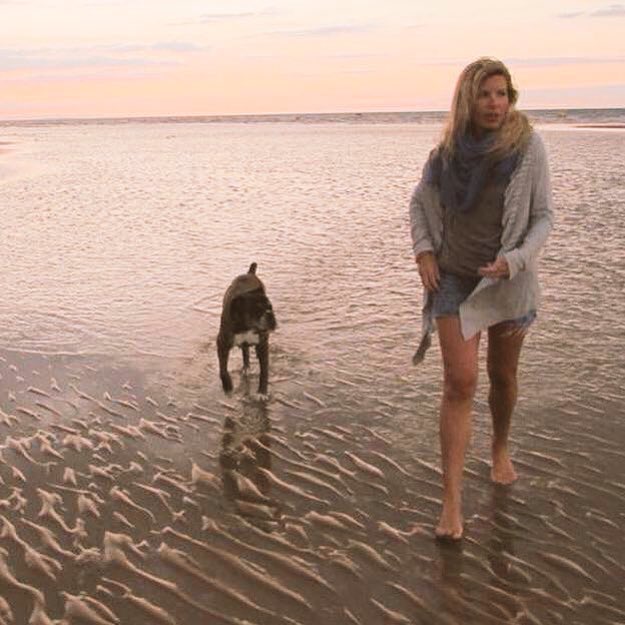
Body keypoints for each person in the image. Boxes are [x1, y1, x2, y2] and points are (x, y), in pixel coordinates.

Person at [409, 57, 553, 540]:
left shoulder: (527, 148)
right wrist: (424, 251)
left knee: (502, 377)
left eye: (501, 94)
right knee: (460, 381)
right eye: (484, 94)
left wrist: (516, 260)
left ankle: (499, 447)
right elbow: (419, 203)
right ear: (466, 100)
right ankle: (451, 503)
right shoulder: (445, 155)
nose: (494, 103)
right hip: (454, 278)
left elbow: (544, 217)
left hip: (509, 281)